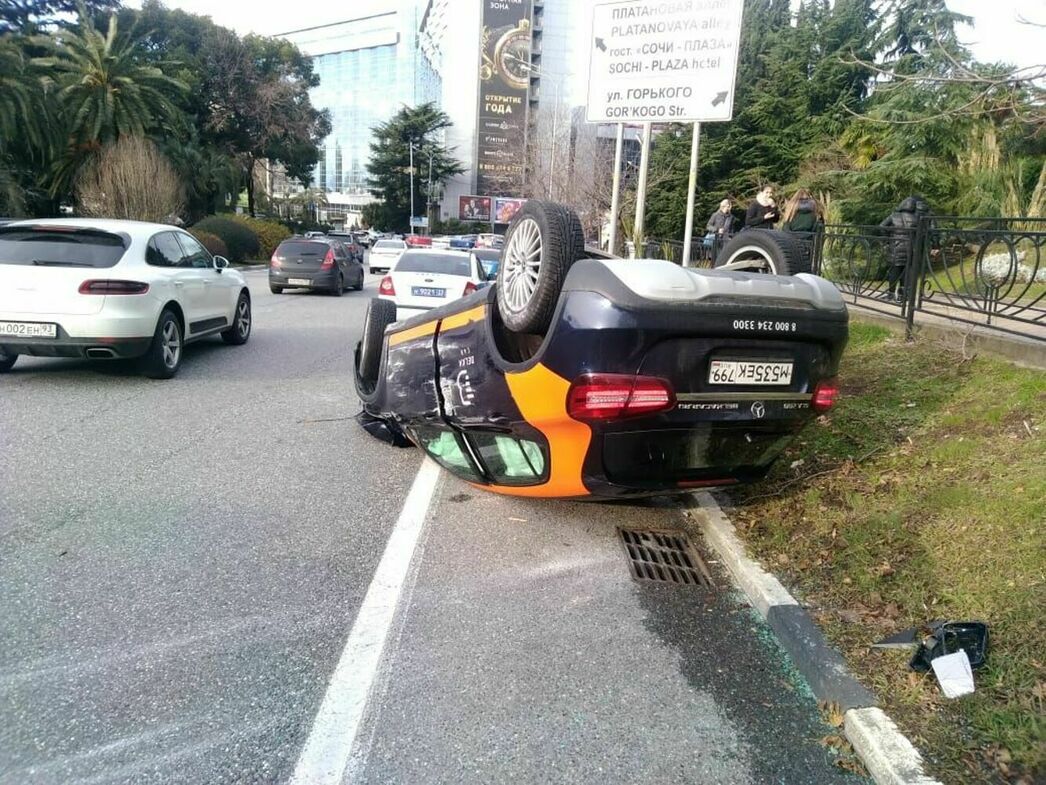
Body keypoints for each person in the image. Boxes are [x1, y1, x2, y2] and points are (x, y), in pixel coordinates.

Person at [878, 196, 920, 302]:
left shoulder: (894, 216)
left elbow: (882, 226)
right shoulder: (916, 218)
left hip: (895, 247)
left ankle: (891, 294)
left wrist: (888, 239)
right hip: (910, 248)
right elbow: (921, 232)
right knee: (906, 273)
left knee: (894, 271)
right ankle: (902, 296)